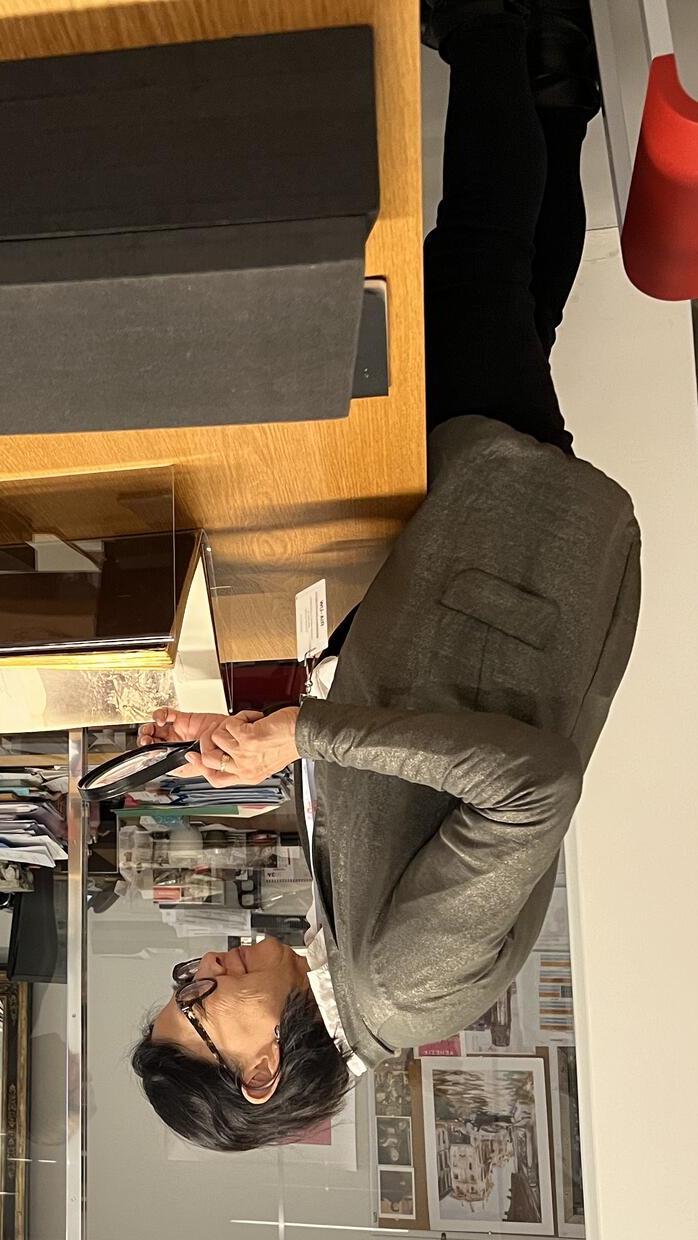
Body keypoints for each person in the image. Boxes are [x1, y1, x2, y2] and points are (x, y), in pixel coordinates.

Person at [130, 0, 641, 1151]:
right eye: (197, 996)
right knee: (470, 267)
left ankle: (552, 85)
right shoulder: (401, 990)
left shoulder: (348, 974)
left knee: (511, 306)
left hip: (480, 592)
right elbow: (528, 791)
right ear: (259, 1071)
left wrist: (299, 715)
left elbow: (406, 787)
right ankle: (491, 27)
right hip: (507, 582)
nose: (203, 965)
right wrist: (302, 734)